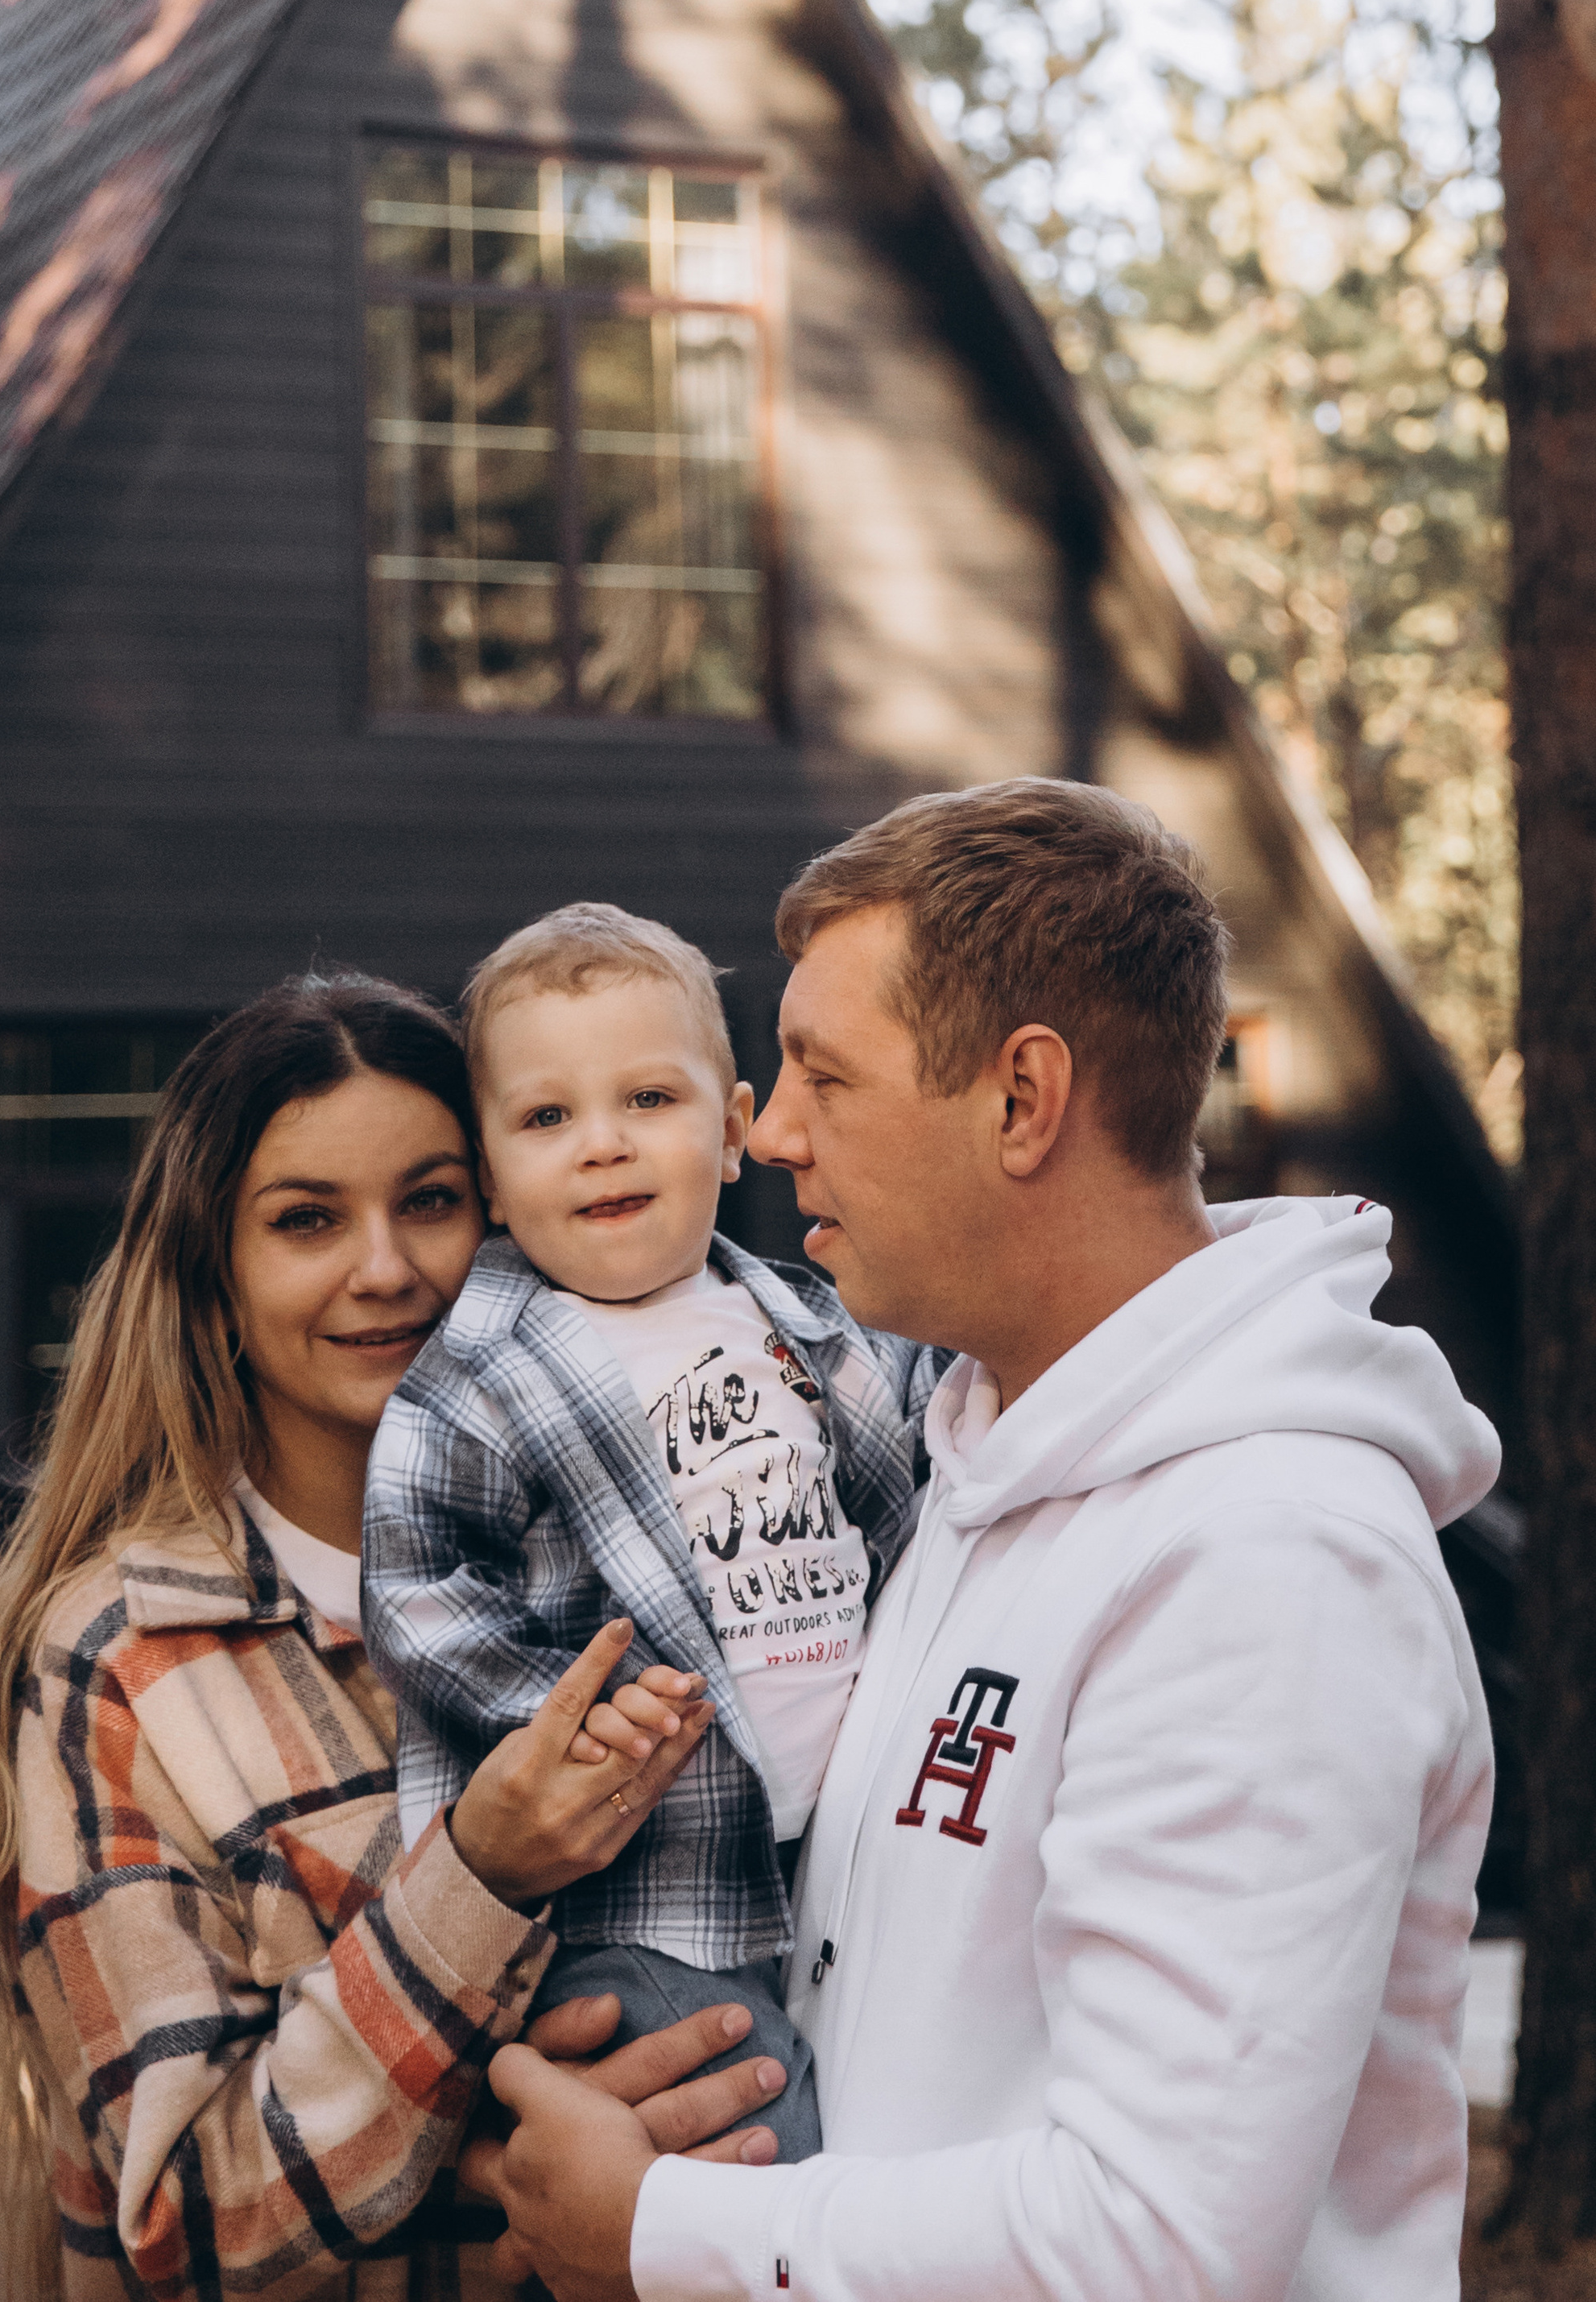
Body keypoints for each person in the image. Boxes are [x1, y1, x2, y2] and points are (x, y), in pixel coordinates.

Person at [474, 781, 1500, 2302]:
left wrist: (665, 2237)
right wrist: (674, 2105)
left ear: (1023, 1100)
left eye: (824, 1074)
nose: (771, 1133)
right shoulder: (972, 1456)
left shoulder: (1269, 1562)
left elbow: (1162, 2242)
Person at [0, 971, 789, 2302]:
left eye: (431, 1200)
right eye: (308, 1220)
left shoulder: (689, 1540)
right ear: (216, 1278)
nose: (388, 1270)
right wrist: (477, 1892)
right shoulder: (129, 1660)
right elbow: (171, 2224)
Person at [362, 906, 944, 2166]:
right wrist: (564, 1712)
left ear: (734, 1129)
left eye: (646, 1099)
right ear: (494, 1173)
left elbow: (918, 1491)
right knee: (763, 2133)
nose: (602, 1147)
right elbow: (420, 1587)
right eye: (546, 1119)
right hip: (643, 1896)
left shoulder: (813, 1328)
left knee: (899, 2115)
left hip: (838, 1860)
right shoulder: (481, 1376)